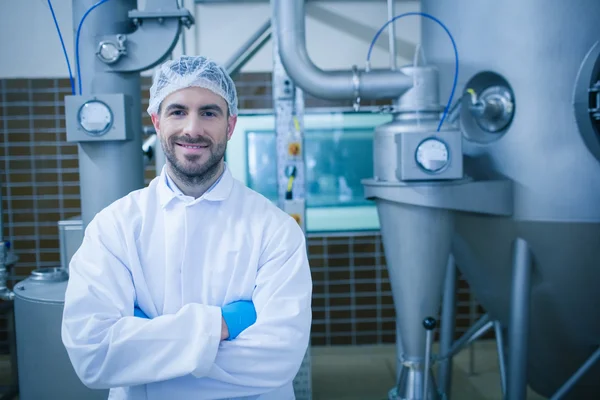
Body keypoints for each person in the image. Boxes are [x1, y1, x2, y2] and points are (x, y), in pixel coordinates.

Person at [61, 55, 313, 400]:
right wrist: (222, 325)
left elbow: (278, 360)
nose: (192, 129)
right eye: (177, 111)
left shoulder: (275, 230)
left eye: (209, 112)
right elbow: (92, 354)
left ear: (230, 125)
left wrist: (146, 348)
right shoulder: (114, 227)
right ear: (156, 120)